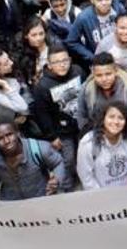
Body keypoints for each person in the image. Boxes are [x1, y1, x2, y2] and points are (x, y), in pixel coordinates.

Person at [33, 44, 84, 191]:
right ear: (49, 65)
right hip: (61, 131)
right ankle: (67, 187)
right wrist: (52, 136)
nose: (62, 65)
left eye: (65, 60)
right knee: (67, 160)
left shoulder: (78, 71)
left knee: (83, 154)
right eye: (56, 62)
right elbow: (42, 114)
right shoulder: (42, 86)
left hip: (81, 124)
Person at [0, 115, 65, 201]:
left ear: (17, 133)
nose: (7, 141)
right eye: (0, 138)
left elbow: (58, 163)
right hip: (12, 203)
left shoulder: (39, 148)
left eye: (9, 134)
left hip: (41, 198)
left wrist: (57, 179)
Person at [76, 53, 127, 134]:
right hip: (98, 135)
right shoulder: (87, 89)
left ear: (116, 71)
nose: (104, 79)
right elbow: (81, 116)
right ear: (93, 74)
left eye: (108, 74)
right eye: (99, 75)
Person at [76, 100, 127, 189]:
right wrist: (101, 197)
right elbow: (86, 177)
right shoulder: (88, 143)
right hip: (103, 196)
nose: (116, 122)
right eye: (111, 117)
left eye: (121, 118)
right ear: (103, 118)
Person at [65, 0, 121, 66]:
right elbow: (71, 41)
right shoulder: (84, 17)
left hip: (121, 57)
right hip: (99, 63)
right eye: (99, 0)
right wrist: (91, 57)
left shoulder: (118, 8)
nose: (104, 3)